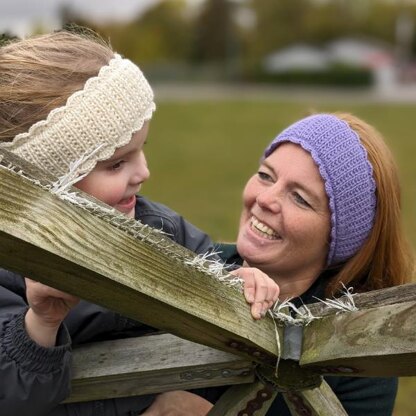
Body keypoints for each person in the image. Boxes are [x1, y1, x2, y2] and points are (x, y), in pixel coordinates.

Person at [0, 30, 279, 416]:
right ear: (47, 183)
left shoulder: (160, 229)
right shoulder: (11, 268)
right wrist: (41, 325)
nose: (143, 173)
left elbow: (213, 275)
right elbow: (11, 396)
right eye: (117, 163)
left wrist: (236, 286)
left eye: (140, 151)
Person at [150, 112, 414, 415]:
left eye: (300, 198)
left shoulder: (362, 343)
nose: (265, 199)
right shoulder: (189, 263)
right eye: (265, 176)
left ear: (339, 238)